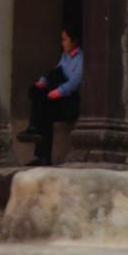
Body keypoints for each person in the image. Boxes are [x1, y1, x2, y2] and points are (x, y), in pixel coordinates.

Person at [18, 28, 83, 166]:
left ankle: (34, 129)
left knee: (44, 107)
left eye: (65, 39)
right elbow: (54, 72)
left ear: (74, 41)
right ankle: (42, 157)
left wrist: (59, 91)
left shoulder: (80, 59)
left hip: (70, 101)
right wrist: (43, 82)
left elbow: (75, 82)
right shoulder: (65, 57)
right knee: (37, 94)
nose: (62, 43)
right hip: (60, 97)